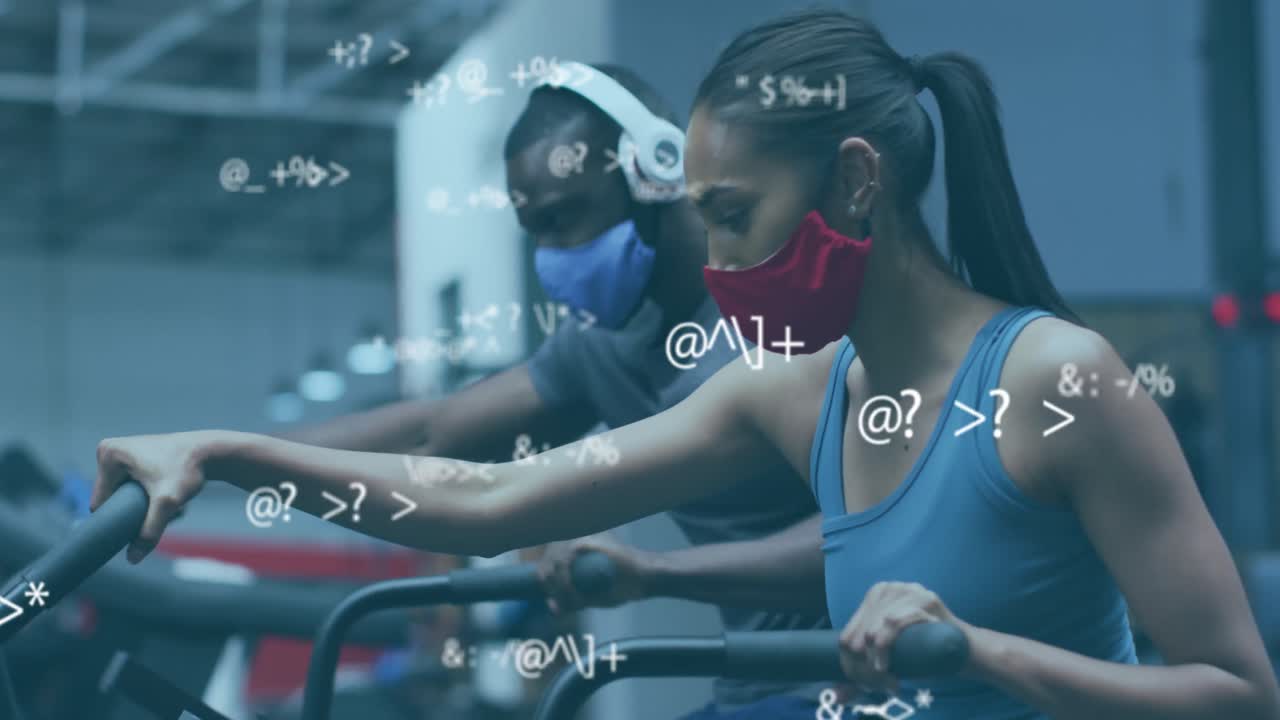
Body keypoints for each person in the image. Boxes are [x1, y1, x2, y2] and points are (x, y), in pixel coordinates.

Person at [93, 9, 1280, 719]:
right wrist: (227, 454)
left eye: (732, 214)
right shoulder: (789, 389)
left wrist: (980, 654)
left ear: (855, 184)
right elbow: (489, 497)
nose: (712, 264)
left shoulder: (1057, 385)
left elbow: (1237, 695)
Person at [233, 64, 832, 717]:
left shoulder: (789, 314)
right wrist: (225, 456)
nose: (552, 258)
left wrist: (653, 575)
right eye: (536, 232)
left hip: (878, 682)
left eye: (565, 218)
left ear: (658, 169)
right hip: (755, 692)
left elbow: (878, 529)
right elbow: (436, 435)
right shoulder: (600, 346)